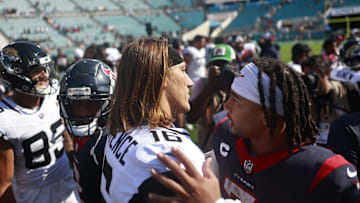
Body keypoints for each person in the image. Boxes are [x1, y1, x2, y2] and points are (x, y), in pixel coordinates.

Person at [149, 57, 360, 202]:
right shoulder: (226, 134)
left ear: (269, 115)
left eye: (237, 100)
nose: (227, 106)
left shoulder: (328, 174)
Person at [100, 38, 205, 203]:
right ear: (161, 77)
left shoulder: (120, 127)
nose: (190, 82)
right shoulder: (173, 153)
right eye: (183, 71)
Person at [0, 41, 79, 203]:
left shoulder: (53, 95)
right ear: (15, 74)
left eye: (44, 69)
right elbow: (4, 184)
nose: (44, 75)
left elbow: (62, 133)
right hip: (33, 196)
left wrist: (72, 157)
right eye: (36, 71)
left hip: (68, 185)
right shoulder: (5, 119)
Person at [58, 59, 116, 203]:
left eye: (91, 104)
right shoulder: (89, 134)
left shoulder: (108, 143)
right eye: (77, 104)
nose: (83, 113)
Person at [187, 44, 236, 151]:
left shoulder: (239, 84)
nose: (220, 70)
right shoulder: (203, 84)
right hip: (208, 148)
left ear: (234, 65)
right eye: (215, 65)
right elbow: (191, 118)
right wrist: (210, 87)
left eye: (224, 65)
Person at [301, 55, 354, 145]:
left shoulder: (347, 91)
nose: (310, 81)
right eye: (307, 76)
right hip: (318, 148)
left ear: (327, 74)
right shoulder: (305, 97)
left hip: (343, 146)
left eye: (313, 76)